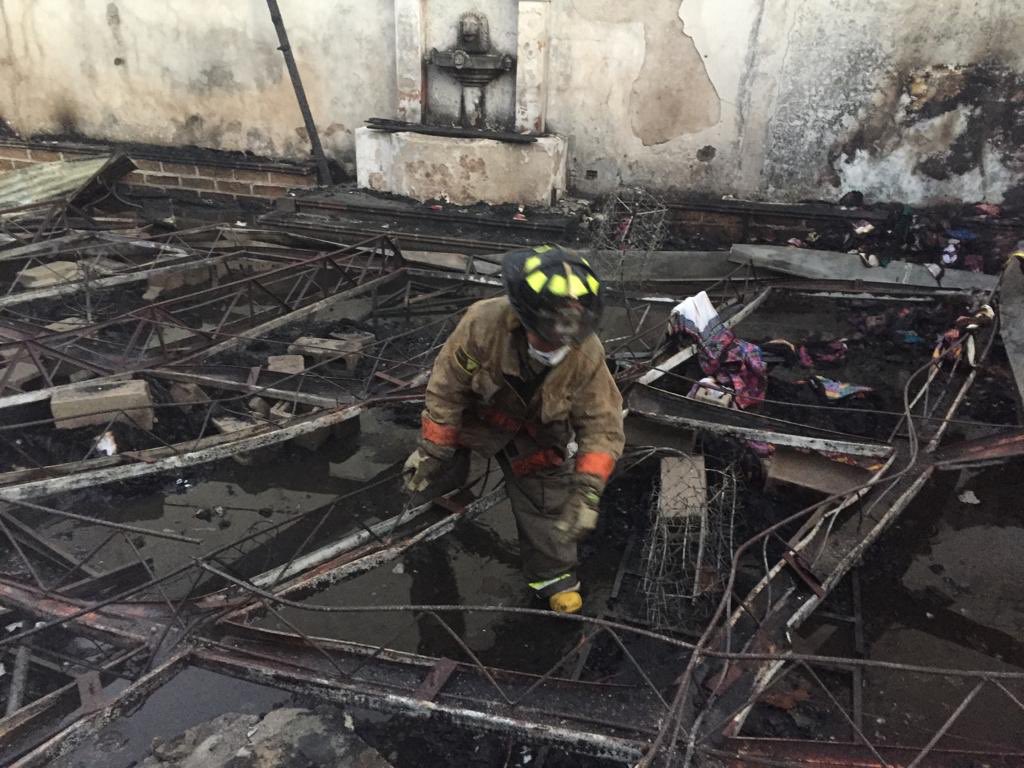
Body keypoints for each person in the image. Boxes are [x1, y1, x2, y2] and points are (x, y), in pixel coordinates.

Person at [403, 245, 625, 613]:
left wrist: (587, 493)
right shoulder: (482, 324)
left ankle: (552, 577)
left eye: (567, 337)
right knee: (434, 475)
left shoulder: (585, 352)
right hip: (477, 420)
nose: (558, 346)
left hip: (534, 436)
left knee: (547, 502)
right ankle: (423, 530)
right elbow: (446, 388)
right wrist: (431, 450)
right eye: (548, 335)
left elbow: (602, 424)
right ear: (523, 317)